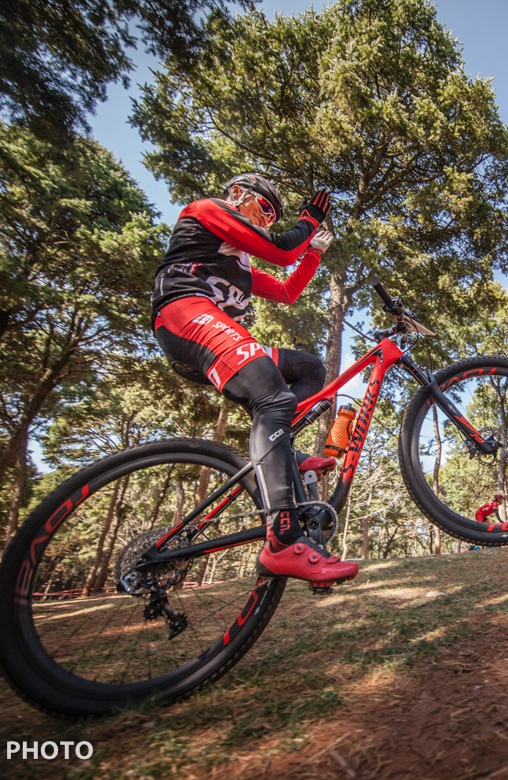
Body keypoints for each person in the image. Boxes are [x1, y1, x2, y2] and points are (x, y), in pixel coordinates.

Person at [151, 172, 358, 587]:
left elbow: (284, 291)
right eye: (264, 210)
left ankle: (286, 457)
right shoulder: (204, 210)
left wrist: (313, 253)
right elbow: (281, 252)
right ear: (237, 195)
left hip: (207, 334)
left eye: (271, 217)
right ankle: (283, 540)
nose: (266, 222)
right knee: (273, 398)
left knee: (308, 370)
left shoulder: (239, 266)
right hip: (184, 313)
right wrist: (309, 220)